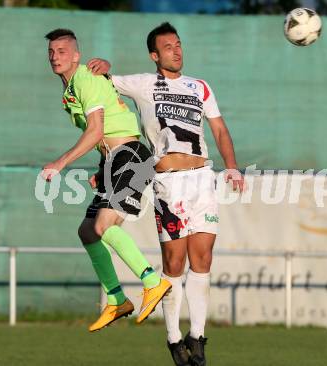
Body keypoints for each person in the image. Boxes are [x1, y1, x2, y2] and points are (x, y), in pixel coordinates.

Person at [88, 22, 244, 365]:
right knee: (174, 263)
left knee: (203, 258)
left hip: (203, 177)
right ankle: (174, 338)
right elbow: (100, 89)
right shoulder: (144, 83)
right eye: (168, 47)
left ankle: (198, 336)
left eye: (178, 44)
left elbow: (219, 128)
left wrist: (231, 165)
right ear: (154, 55)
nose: (177, 50)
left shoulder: (200, 87)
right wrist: (103, 67)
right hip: (168, 182)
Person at [42, 28, 171, 332]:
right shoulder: (72, 86)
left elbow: (97, 130)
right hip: (115, 160)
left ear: (76, 55)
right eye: (51, 52)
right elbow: (106, 130)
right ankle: (116, 299)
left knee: (103, 226)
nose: (55, 56)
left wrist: (60, 163)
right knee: (88, 231)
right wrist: (103, 169)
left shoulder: (84, 78)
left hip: (130, 156)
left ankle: (153, 281)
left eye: (62, 51)